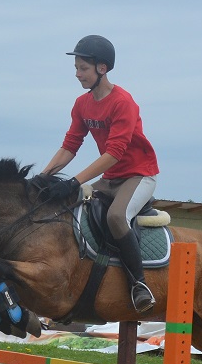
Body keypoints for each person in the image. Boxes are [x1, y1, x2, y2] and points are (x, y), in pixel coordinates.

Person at [35, 34, 160, 314]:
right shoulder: (82, 104)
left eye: (83, 68)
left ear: (102, 68)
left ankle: (139, 284)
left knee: (116, 216)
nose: (77, 74)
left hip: (139, 175)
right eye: (76, 68)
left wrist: (74, 181)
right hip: (110, 178)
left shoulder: (123, 102)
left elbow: (114, 153)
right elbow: (70, 146)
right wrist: (42, 178)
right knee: (71, 209)